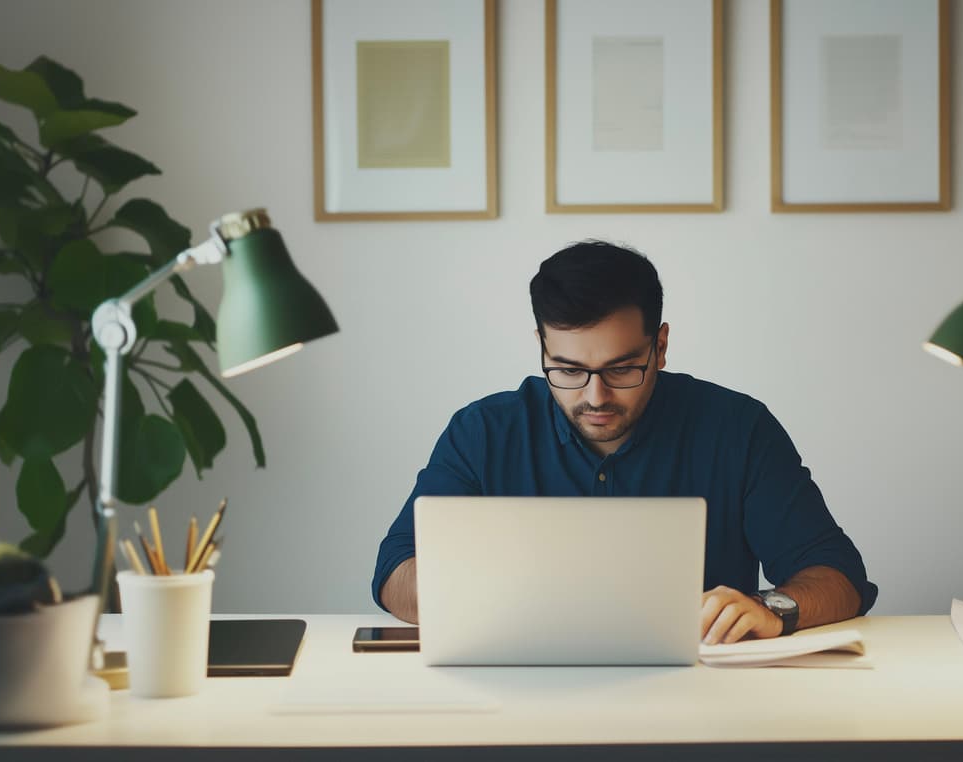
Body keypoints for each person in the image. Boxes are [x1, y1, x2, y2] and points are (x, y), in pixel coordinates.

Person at [373, 241, 877, 644]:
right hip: (518, 686)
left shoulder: (738, 427)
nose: (595, 396)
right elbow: (396, 572)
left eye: (621, 368)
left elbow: (838, 577)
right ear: (541, 348)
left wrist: (771, 609)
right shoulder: (483, 430)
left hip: (706, 700)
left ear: (660, 346)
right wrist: (508, 601)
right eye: (568, 370)